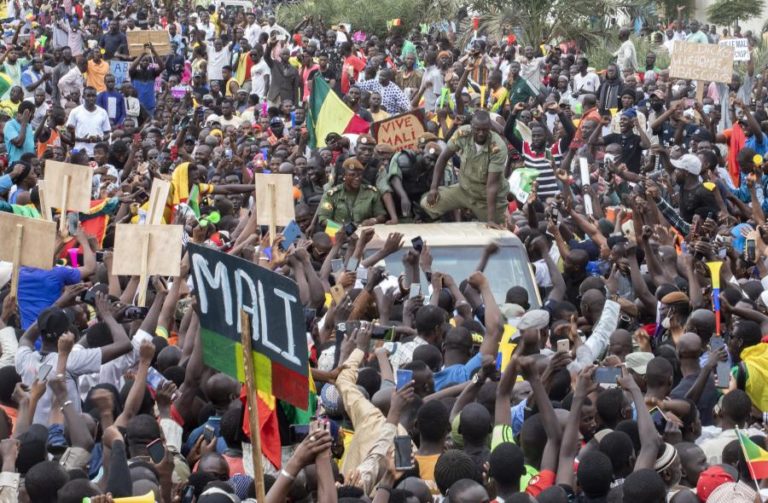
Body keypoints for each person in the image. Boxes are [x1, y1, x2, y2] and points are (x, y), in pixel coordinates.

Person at [316, 157, 386, 226]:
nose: (357, 178)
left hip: (365, 230)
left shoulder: (371, 193)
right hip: (338, 231)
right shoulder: (331, 195)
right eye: (352, 175)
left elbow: (382, 215)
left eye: (360, 175)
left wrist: (374, 220)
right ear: (344, 176)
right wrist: (339, 229)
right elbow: (323, 220)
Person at [66, 86, 111, 157]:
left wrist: (100, 139)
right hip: (80, 153)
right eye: (88, 96)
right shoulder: (75, 112)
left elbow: (107, 134)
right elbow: (68, 134)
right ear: (83, 97)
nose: (91, 98)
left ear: (96, 97)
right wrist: (82, 139)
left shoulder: (103, 112)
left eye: (93, 96)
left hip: (97, 155)